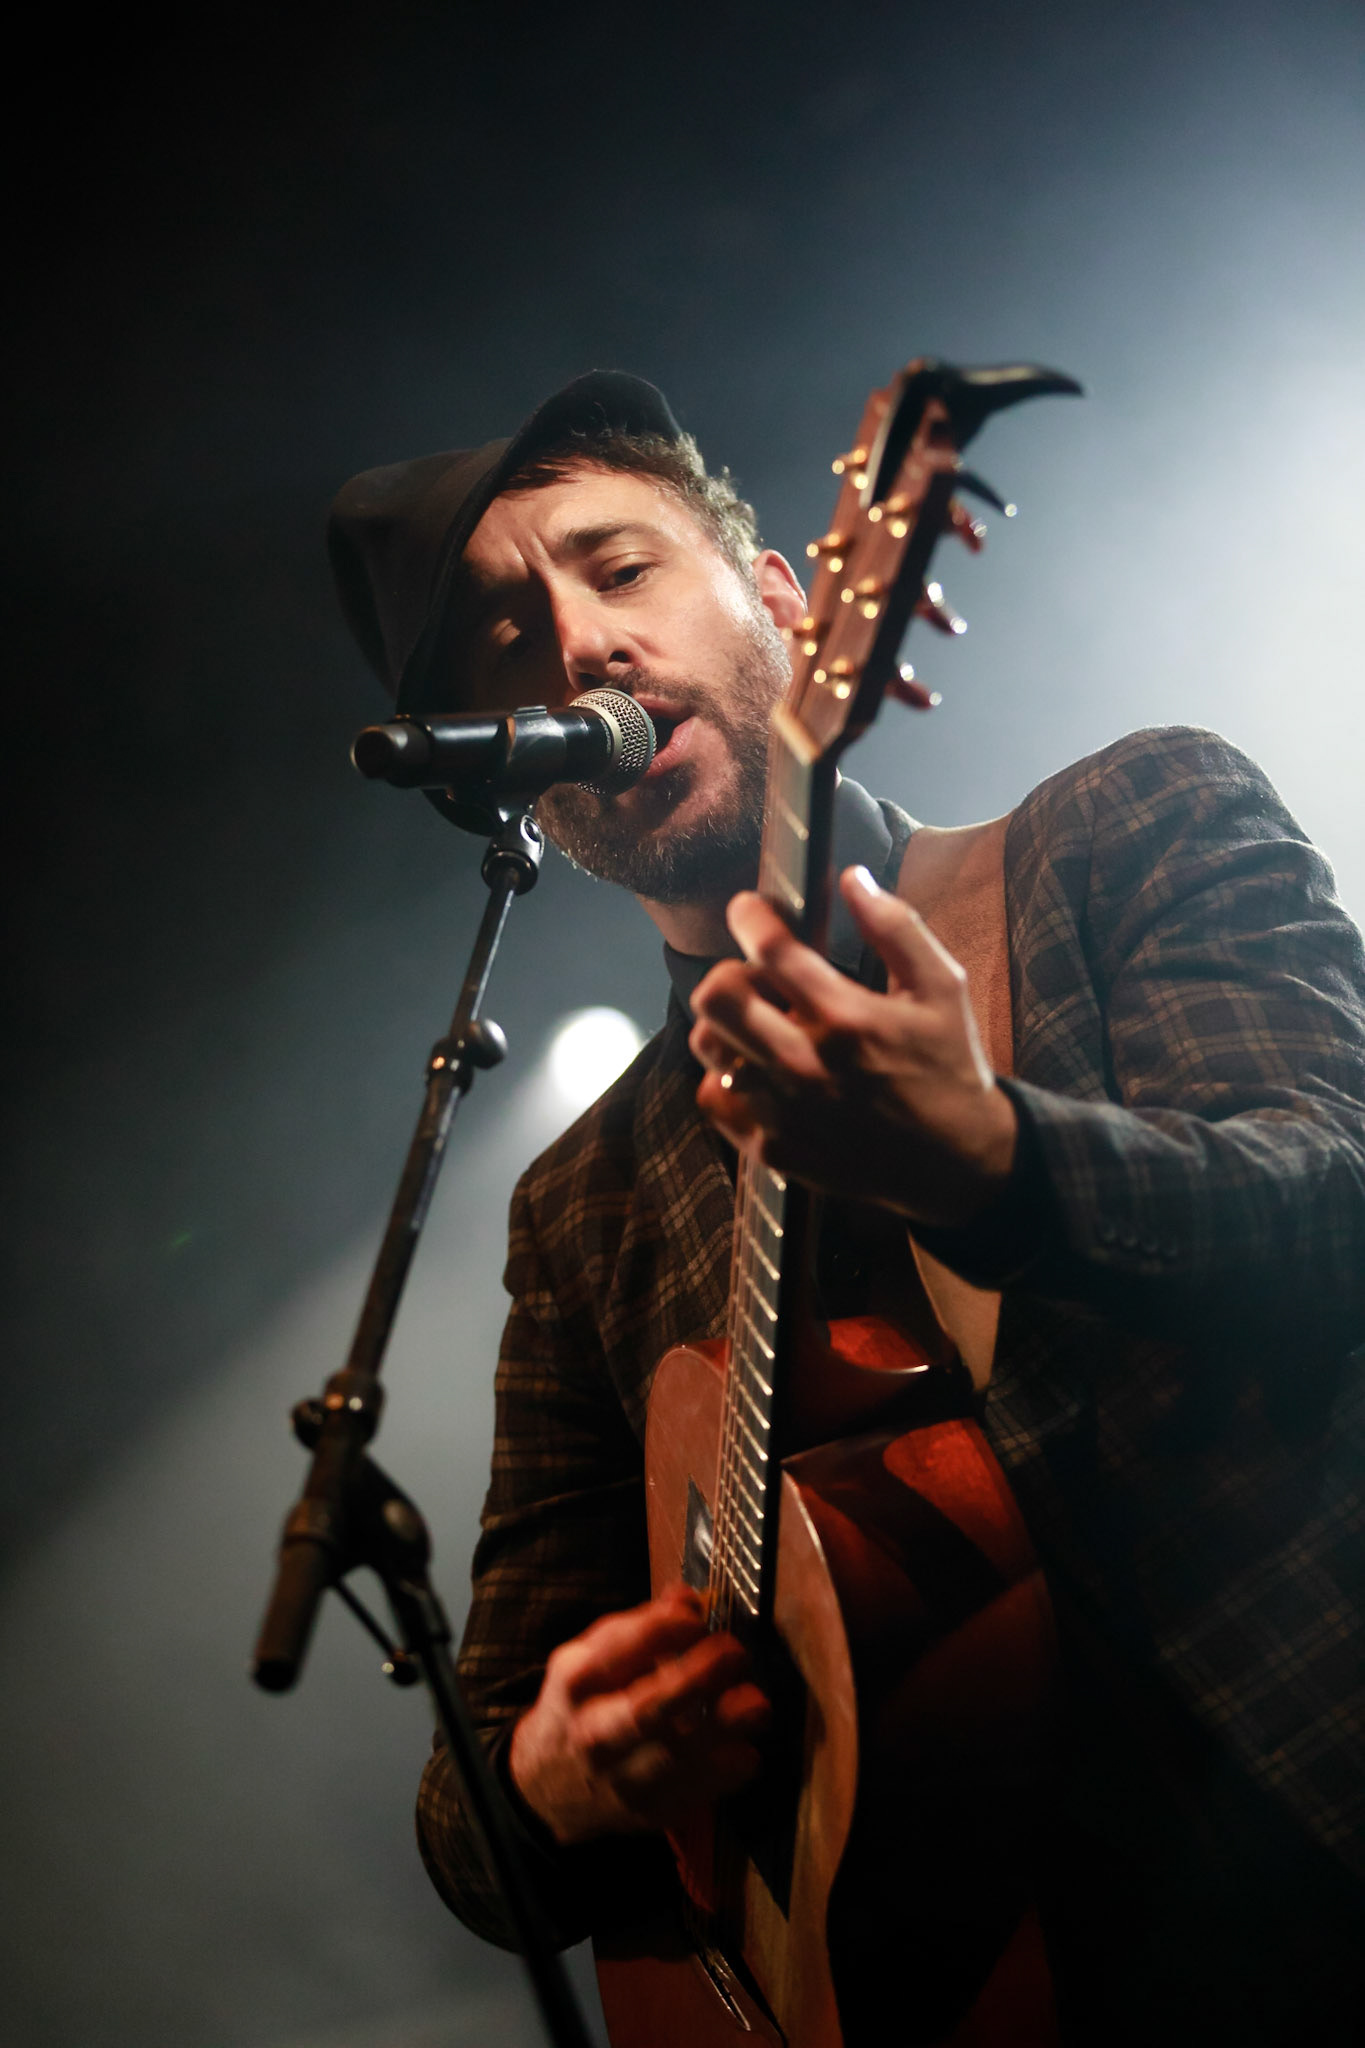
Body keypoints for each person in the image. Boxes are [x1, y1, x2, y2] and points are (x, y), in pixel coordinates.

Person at [328, 372, 1365, 2043]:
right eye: (503, 637)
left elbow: (1338, 1209)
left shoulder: (1121, 832)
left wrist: (991, 1158)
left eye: (617, 568)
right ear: (502, 775)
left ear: (791, 601)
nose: (578, 648)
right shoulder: (579, 1211)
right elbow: (479, 1826)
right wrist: (557, 1774)